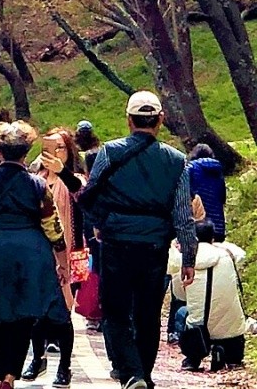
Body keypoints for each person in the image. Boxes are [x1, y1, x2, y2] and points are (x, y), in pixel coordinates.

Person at [79, 91, 197, 389]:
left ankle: (132, 374)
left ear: (129, 120)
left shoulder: (110, 152)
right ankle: (142, 374)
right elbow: (183, 212)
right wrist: (189, 257)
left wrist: (96, 226)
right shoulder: (177, 160)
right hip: (155, 247)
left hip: (117, 242)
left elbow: (91, 193)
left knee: (116, 311)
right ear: (160, 121)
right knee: (148, 314)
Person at [0, 121, 70, 389]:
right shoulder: (37, 185)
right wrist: (62, 265)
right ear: (25, 153)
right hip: (31, 258)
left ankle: (1, 375)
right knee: (23, 317)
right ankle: (10, 375)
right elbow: (53, 228)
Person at [23, 127, 86, 387]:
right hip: (37, 254)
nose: (55, 151)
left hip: (69, 254)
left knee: (61, 314)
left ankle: (65, 366)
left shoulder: (75, 178)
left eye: (60, 147)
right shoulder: (35, 177)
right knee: (36, 314)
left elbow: (81, 194)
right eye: (51, 146)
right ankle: (38, 358)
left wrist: (62, 171)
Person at [169, 219, 246, 372]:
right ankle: (231, 357)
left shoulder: (183, 260)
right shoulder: (227, 255)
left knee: (181, 312)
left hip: (199, 330)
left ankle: (193, 358)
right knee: (232, 323)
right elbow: (242, 254)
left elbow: (179, 295)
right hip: (230, 328)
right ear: (213, 238)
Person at [187, 144, 227, 241]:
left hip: (199, 226)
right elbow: (223, 197)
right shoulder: (218, 170)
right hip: (218, 226)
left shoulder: (191, 168)